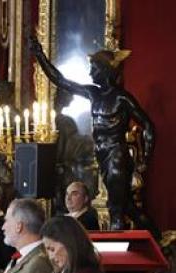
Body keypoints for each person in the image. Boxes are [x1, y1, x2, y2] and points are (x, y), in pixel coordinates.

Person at [30, 35, 155, 231]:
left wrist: (144, 160)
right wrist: (40, 56)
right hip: (103, 155)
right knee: (127, 206)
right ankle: (158, 241)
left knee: (116, 208)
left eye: (94, 68)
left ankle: (115, 256)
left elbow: (148, 125)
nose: (90, 73)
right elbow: (61, 81)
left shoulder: (122, 98)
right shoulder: (93, 94)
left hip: (116, 155)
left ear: (106, 70)